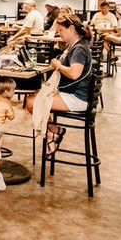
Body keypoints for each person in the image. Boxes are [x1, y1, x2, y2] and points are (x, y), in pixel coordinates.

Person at [27, 14, 95, 144]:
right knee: (32, 100)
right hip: (72, 93)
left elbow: (74, 74)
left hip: (77, 98)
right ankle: (53, 134)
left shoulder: (79, 49)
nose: (59, 34)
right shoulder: (73, 45)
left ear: (71, 29)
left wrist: (58, 65)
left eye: (61, 31)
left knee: (31, 102)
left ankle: (55, 132)